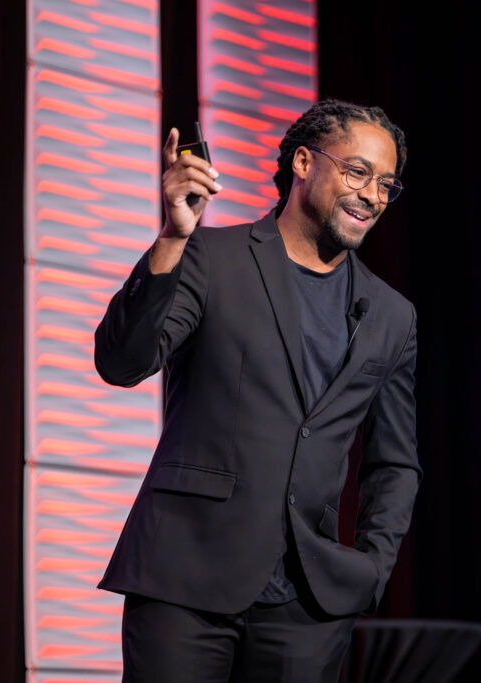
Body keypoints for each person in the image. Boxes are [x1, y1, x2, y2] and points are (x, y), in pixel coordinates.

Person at [93, 99, 420, 683]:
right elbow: (122, 362)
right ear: (303, 163)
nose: (372, 195)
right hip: (184, 581)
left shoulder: (393, 316)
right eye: (357, 172)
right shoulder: (211, 257)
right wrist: (172, 236)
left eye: (386, 184)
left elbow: (394, 462)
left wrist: (371, 566)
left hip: (308, 605)